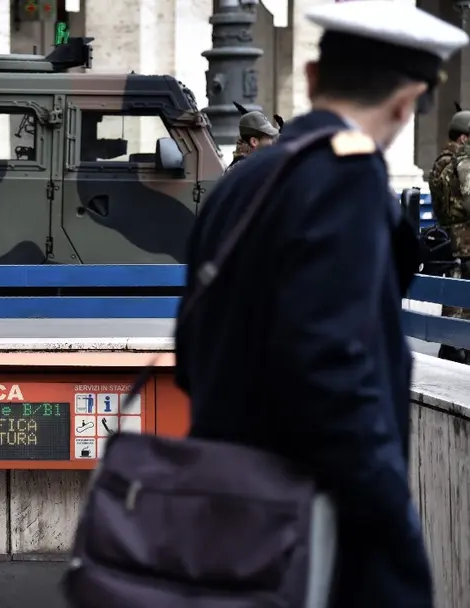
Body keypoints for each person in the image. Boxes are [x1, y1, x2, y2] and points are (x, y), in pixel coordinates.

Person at [174, 1, 467, 606]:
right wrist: (395, 550)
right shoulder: (348, 182)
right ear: (407, 102)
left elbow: (191, 351)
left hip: (224, 505)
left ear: (311, 78)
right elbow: (337, 379)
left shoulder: (243, 183)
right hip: (307, 526)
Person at [428, 110, 470, 361]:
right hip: (466, 239)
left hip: (450, 237)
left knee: (455, 293)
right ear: (464, 138)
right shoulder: (462, 162)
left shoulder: (441, 161)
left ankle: (451, 346)